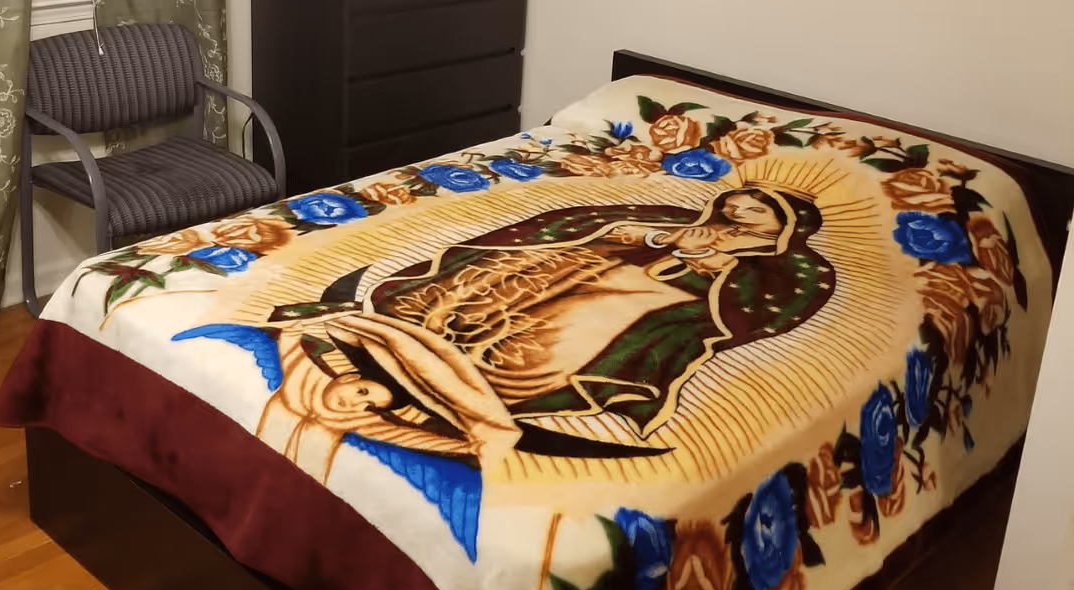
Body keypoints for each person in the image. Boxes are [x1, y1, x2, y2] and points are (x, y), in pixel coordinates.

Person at [259, 188, 837, 474]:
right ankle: (407, 341)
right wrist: (659, 240)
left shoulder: (795, 268)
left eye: (751, 213)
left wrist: (719, 267)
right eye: (730, 204)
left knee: (559, 337)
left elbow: (760, 312)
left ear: (784, 228)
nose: (732, 215)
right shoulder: (681, 224)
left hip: (649, 303)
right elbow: (585, 229)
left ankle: (476, 391)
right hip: (585, 267)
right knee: (488, 289)